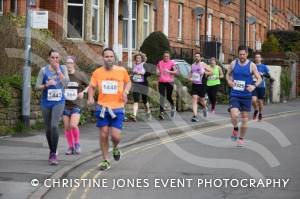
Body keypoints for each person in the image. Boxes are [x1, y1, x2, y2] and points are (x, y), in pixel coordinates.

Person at [88, 48, 131, 171]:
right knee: (103, 134)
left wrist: (125, 92)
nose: (109, 58)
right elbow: (91, 87)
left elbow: (128, 82)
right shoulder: (97, 72)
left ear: (114, 58)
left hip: (117, 108)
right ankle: (105, 160)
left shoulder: (121, 71)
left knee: (115, 137)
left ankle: (116, 147)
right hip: (102, 108)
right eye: (106, 56)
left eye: (111, 56)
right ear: (103, 58)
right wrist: (91, 97)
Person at [35, 49, 69, 165]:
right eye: (53, 57)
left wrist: (58, 71)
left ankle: (53, 154)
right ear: (49, 58)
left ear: (59, 59)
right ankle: (52, 150)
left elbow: (66, 83)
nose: (55, 60)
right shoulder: (43, 70)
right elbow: (36, 86)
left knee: (54, 126)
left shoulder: (63, 68)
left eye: (57, 58)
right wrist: (46, 85)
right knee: (48, 128)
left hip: (59, 101)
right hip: (46, 102)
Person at [226, 46, 262, 147]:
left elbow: (259, 79)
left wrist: (254, 86)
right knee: (233, 115)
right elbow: (227, 74)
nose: (242, 56)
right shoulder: (234, 63)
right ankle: (235, 128)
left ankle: (241, 138)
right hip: (235, 94)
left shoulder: (252, 65)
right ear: (238, 54)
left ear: (247, 54)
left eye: (244, 54)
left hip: (246, 95)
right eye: (240, 54)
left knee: (245, 119)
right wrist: (229, 81)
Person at [63, 56, 89, 155]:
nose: (69, 65)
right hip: (65, 105)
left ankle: (77, 144)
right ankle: (70, 146)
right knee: (67, 127)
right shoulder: (63, 76)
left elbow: (90, 85)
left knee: (73, 125)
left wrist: (83, 92)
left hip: (76, 104)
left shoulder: (79, 75)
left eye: (70, 63)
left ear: (74, 64)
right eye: (67, 63)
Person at [190, 52, 212, 122]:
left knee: (202, 100)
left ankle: (204, 107)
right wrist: (189, 78)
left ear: (200, 58)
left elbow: (211, 72)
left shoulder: (203, 64)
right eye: (195, 56)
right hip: (194, 84)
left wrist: (204, 72)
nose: (196, 57)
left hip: (202, 84)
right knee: (194, 98)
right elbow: (190, 73)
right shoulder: (193, 65)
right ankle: (195, 116)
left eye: (198, 56)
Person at [156, 51, 179, 120]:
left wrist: (169, 71)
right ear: (163, 56)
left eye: (167, 56)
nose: (166, 57)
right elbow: (157, 69)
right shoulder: (160, 62)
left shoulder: (172, 63)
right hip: (161, 82)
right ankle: (161, 112)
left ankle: (172, 107)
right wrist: (157, 71)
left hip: (170, 82)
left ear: (169, 57)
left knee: (169, 97)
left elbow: (177, 72)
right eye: (165, 56)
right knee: (162, 97)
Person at [252, 53, 273, 121]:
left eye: (258, 57)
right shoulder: (252, 66)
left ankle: (260, 113)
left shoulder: (264, 67)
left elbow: (270, 76)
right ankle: (256, 110)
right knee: (253, 100)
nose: (257, 58)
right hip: (254, 86)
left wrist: (263, 74)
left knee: (260, 101)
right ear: (254, 59)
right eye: (256, 57)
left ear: (261, 58)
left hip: (261, 86)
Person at [131, 52, 152, 121]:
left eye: (139, 58)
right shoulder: (134, 66)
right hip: (136, 84)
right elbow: (134, 75)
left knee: (144, 100)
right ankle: (134, 115)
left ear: (142, 59)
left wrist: (142, 73)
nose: (137, 59)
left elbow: (149, 73)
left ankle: (148, 111)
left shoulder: (144, 64)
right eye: (136, 58)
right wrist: (131, 76)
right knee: (136, 100)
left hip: (143, 84)